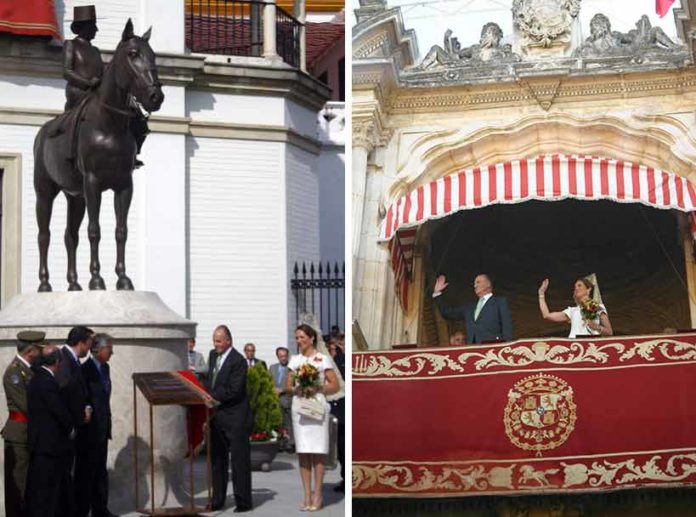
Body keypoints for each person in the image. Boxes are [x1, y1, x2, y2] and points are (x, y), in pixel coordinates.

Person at [60, 5, 147, 167]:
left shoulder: (95, 50)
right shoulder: (71, 45)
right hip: (78, 91)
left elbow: (102, 73)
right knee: (77, 117)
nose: (97, 30)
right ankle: (70, 151)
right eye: (93, 26)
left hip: (96, 92)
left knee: (135, 115)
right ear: (84, 27)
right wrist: (87, 83)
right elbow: (67, 71)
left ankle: (133, 152)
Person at [286, 324, 340, 511]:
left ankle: (318, 494)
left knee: (317, 451)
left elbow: (335, 385)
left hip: (317, 406)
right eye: (297, 338)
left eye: (302, 337)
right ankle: (306, 494)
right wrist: (297, 388)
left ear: (311, 338)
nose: (299, 341)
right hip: (300, 407)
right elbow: (288, 385)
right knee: (303, 451)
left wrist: (317, 388)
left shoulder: (322, 359)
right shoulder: (295, 360)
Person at [206, 325, 253, 512]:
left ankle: (243, 501)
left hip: (235, 416)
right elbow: (211, 379)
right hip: (216, 416)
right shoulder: (212, 356)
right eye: (214, 340)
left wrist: (213, 396)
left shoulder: (238, 361)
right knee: (218, 458)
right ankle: (217, 499)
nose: (215, 344)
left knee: (239, 460)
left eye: (218, 340)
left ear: (228, 341)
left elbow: (235, 390)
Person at [25, 343, 74, 517]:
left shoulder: (38, 377)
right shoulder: (47, 381)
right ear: (58, 362)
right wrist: (71, 427)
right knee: (46, 492)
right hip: (48, 445)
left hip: (41, 444)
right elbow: (58, 410)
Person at [2, 330, 44, 517]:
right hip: (19, 435)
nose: (42, 353)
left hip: (32, 433)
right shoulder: (14, 373)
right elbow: (27, 405)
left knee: (31, 485)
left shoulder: (31, 369)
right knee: (17, 487)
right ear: (31, 350)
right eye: (39, 349)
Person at [75, 334, 116, 517]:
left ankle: (101, 509)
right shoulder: (85, 370)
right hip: (89, 431)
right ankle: (83, 510)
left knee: (100, 472)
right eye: (109, 348)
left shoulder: (105, 368)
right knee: (86, 472)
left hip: (102, 429)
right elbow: (83, 398)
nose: (112, 352)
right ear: (98, 350)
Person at [56, 325, 93, 516]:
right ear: (81, 343)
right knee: (65, 472)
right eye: (89, 343)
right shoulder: (63, 359)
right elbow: (65, 392)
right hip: (67, 427)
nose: (90, 348)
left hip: (77, 424)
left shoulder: (74, 360)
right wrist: (78, 414)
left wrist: (86, 406)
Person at [433, 274, 513, 344]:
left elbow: (507, 326)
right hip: (473, 350)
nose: (475, 285)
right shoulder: (470, 308)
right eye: (474, 283)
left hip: (493, 348)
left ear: (488, 284)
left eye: (478, 282)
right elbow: (447, 313)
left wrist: (506, 347)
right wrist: (437, 293)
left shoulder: (500, 302)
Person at [538, 277, 614, 338]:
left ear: (588, 289)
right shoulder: (572, 311)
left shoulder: (597, 306)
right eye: (575, 287)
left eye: (579, 285)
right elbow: (547, 315)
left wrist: (595, 327)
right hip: (574, 346)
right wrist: (541, 294)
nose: (576, 288)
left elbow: (609, 332)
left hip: (591, 347)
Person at [328, 335, 346, 493]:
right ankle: (345, 477)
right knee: (340, 448)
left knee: (343, 445)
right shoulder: (337, 360)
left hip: (344, 408)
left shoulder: (342, 360)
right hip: (337, 409)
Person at [269, 346, 295, 452]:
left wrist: (282, 389)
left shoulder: (292, 368)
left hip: (287, 399)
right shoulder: (272, 367)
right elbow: (268, 380)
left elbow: (294, 384)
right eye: (281, 356)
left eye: (285, 356)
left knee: (288, 423)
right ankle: (280, 442)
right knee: (278, 423)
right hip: (275, 400)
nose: (283, 358)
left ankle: (290, 443)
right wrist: (272, 389)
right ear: (277, 357)